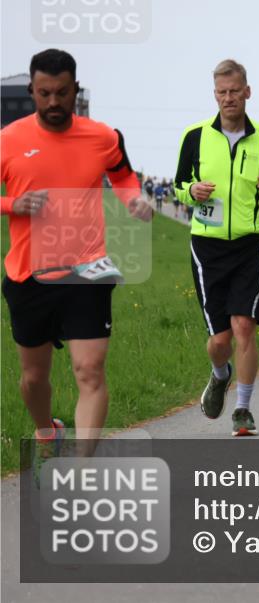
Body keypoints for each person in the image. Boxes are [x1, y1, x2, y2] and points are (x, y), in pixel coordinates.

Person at [1, 49, 152, 470]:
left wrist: (133, 198)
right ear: (32, 91)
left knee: (90, 371)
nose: (53, 102)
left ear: (75, 91)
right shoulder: (8, 140)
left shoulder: (102, 136)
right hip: (29, 272)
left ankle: (83, 469)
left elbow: (122, 175)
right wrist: (14, 203)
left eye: (62, 93)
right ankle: (47, 430)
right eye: (44, 93)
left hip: (88, 269)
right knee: (34, 379)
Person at [173, 59, 259, 436]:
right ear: (215, 95)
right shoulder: (194, 137)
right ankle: (219, 373)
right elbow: (179, 185)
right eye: (222, 92)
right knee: (219, 341)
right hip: (207, 247)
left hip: (251, 244)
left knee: (245, 325)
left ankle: (242, 409)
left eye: (234, 91)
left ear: (247, 92)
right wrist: (191, 192)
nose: (229, 98)